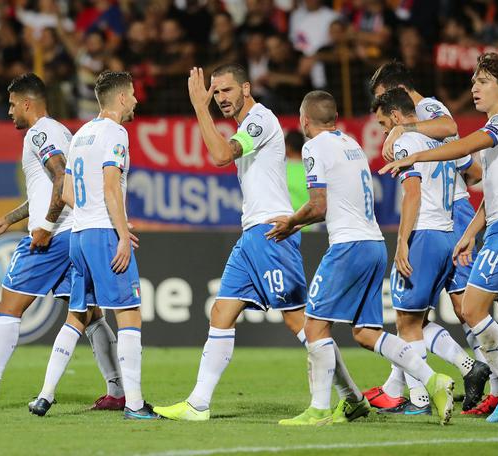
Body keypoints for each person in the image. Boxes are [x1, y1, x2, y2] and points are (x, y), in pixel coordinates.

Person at [154, 64, 359, 422]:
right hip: (251, 235)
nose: (220, 99)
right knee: (221, 312)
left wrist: (199, 108)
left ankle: (349, 396)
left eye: (227, 91)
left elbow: (220, 156)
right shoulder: (245, 124)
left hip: (270, 234)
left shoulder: (260, 120)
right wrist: (204, 109)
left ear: (246, 88)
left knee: (300, 322)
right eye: (215, 93)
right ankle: (198, 403)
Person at [269, 90, 455, 426]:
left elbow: (318, 205)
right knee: (365, 333)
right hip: (373, 244)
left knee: (314, 326)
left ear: (305, 120)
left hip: (348, 246)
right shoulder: (351, 144)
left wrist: (291, 223)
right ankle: (432, 381)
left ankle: (319, 409)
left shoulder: (313, 147)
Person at [381, 52, 498, 423]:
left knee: (470, 309)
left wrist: (413, 153)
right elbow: (490, 193)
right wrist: (471, 233)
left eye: (482, 81)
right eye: (473, 81)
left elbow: (464, 144)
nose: (474, 88)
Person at [0, 73, 120, 412]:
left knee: (9, 307)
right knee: (91, 314)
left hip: (52, 237)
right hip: (76, 232)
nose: (9, 111)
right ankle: (118, 389)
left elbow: (59, 176)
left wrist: (46, 226)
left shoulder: (40, 132)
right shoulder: (62, 131)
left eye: (12, 104)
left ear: (27, 103)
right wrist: (9, 219)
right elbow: (48, 188)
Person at [365, 61, 493, 414]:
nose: (385, 112)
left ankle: (483, 380)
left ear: (399, 96)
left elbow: (450, 128)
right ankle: (466, 372)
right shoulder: (419, 129)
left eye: (385, 100)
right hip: (447, 217)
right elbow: (472, 166)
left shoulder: (427, 110)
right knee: (429, 314)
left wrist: (402, 130)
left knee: (449, 311)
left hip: (444, 218)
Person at [60, 71, 156, 420]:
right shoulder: (117, 132)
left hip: (79, 234)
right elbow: (112, 187)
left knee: (81, 314)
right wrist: (120, 234)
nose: (135, 100)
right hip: (103, 233)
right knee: (129, 314)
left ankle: (45, 394)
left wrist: (91, 214)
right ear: (119, 98)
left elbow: (67, 193)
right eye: (131, 94)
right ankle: (134, 403)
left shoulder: (82, 133)